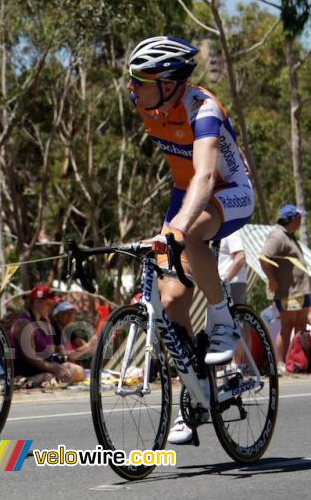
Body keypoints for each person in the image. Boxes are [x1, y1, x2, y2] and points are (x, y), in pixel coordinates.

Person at [127, 36, 254, 445]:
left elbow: (203, 175)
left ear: (168, 82)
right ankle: (197, 395)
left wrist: (178, 228)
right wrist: (174, 227)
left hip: (228, 190)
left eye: (140, 80)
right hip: (185, 196)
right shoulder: (145, 103)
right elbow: (184, 184)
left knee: (192, 232)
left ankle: (222, 321)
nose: (132, 88)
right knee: (171, 300)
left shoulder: (204, 109)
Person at [260, 204, 310, 376]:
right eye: (299, 217)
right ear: (292, 219)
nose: (301, 220)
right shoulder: (277, 235)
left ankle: (298, 362)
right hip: (288, 291)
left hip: (300, 289)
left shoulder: (289, 235)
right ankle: (280, 364)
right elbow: (264, 258)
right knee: (287, 326)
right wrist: (272, 279)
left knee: (301, 326)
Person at [8, 285, 83, 387]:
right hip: (26, 368)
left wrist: (58, 351)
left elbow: (48, 350)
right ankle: (25, 381)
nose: (51, 307)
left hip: (44, 365)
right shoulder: (24, 323)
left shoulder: (45, 320)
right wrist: (53, 367)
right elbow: (31, 357)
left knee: (78, 371)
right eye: (48, 304)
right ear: (37, 302)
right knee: (52, 377)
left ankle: (49, 380)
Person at [218, 230, 248, 305]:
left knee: (232, 315)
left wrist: (225, 281)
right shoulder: (224, 234)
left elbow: (240, 258)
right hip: (230, 284)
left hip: (232, 284)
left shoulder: (231, 233)